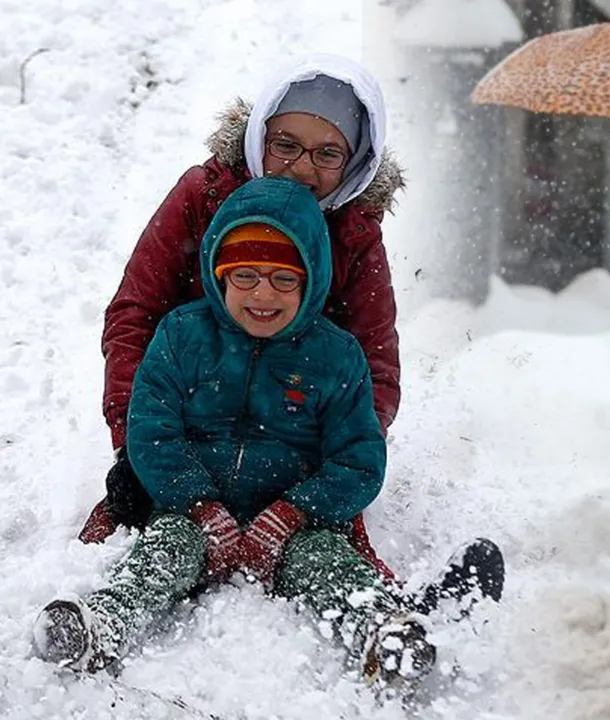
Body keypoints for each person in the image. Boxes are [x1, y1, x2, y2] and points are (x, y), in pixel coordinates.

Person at [33, 177, 436, 692]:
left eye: (284, 279)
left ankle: (381, 631)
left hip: (295, 521)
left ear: (312, 279)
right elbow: (152, 433)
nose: (262, 294)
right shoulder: (181, 336)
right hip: (192, 511)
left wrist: (294, 513)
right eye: (244, 275)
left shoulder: (336, 357)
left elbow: (358, 459)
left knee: (328, 563)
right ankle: (101, 625)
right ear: (218, 274)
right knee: (165, 549)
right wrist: (198, 504)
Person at [79, 55, 404, 583]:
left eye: (327, 153)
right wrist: (134, 439)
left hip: (295, 427)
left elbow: (375, 364)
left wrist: (333, 467)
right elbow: (134, 313)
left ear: (355, 162)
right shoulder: (205, 196)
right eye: (285, 145)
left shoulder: (354, 232)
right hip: (195, 410)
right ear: (259, 136)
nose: (302, 167)